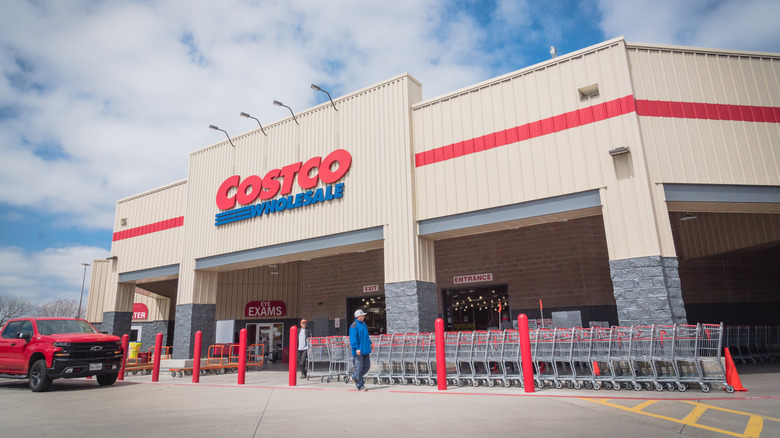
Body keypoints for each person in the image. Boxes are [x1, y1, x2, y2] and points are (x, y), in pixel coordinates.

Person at [348, 309, 372, 391]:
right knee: (359, 368)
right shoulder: (353, 326)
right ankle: (360, 385)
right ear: (358, 316)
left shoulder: (364, 324)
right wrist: (357, 348)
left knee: (367, 367)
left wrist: (370, 343)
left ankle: (354, 377)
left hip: (365, 349)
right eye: (362, 315)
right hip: (358, 351)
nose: (364, 316)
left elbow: (366, 336)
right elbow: (353, 339)